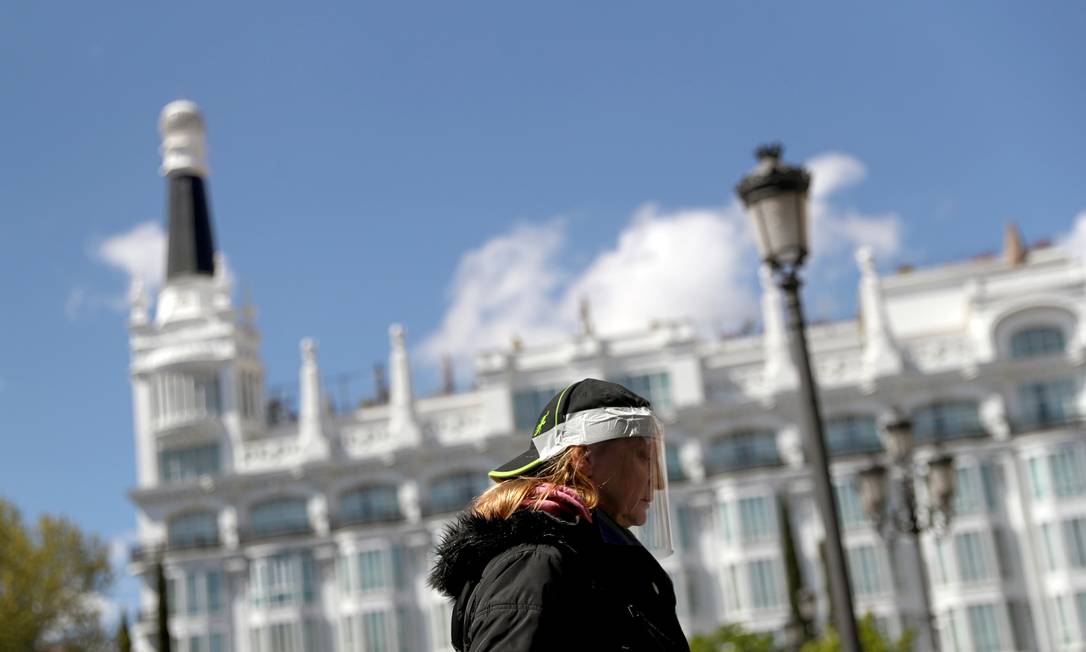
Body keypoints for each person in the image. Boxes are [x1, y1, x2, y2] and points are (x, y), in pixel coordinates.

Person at [429, 378, 689, 651]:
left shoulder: (585, 561)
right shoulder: (534, 563)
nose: (658, 481)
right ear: (584, 459)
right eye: (643, 457)